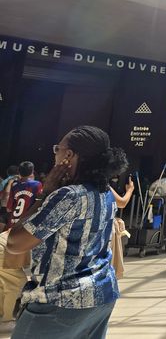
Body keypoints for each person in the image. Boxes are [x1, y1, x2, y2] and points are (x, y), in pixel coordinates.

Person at [7, 125, 128, 339]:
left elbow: (15, 243)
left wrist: (45, 193)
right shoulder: (106, 195)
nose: (55, 153)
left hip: (60, 300)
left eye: (57, 149)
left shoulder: (67, 196)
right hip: (101, 295)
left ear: (69, 155)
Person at [6, 162, 43, 228]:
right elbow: (39, 203)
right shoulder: (37, 184)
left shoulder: (14, 184)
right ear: (32, 172)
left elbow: (9, 208)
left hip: (13, 221)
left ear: (19, 172)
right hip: (26, 222)